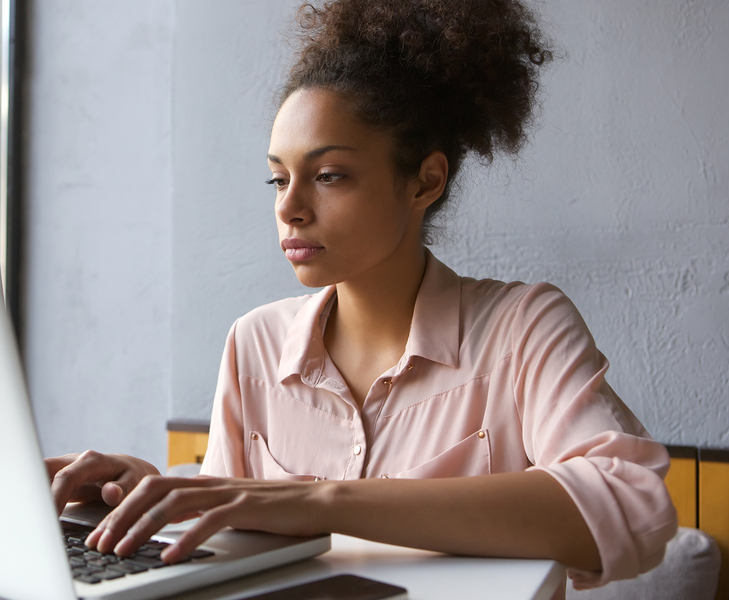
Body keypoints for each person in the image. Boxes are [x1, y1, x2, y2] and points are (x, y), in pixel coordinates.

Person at [45, 0, 678, 591]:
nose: (289, 208)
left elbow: (631, 505)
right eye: (277, 177)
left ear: (425, 181)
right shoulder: (254, 344)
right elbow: (233, 537)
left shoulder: (522, 327)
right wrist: (150, 498)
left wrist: (322, 500)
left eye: (328, 176)